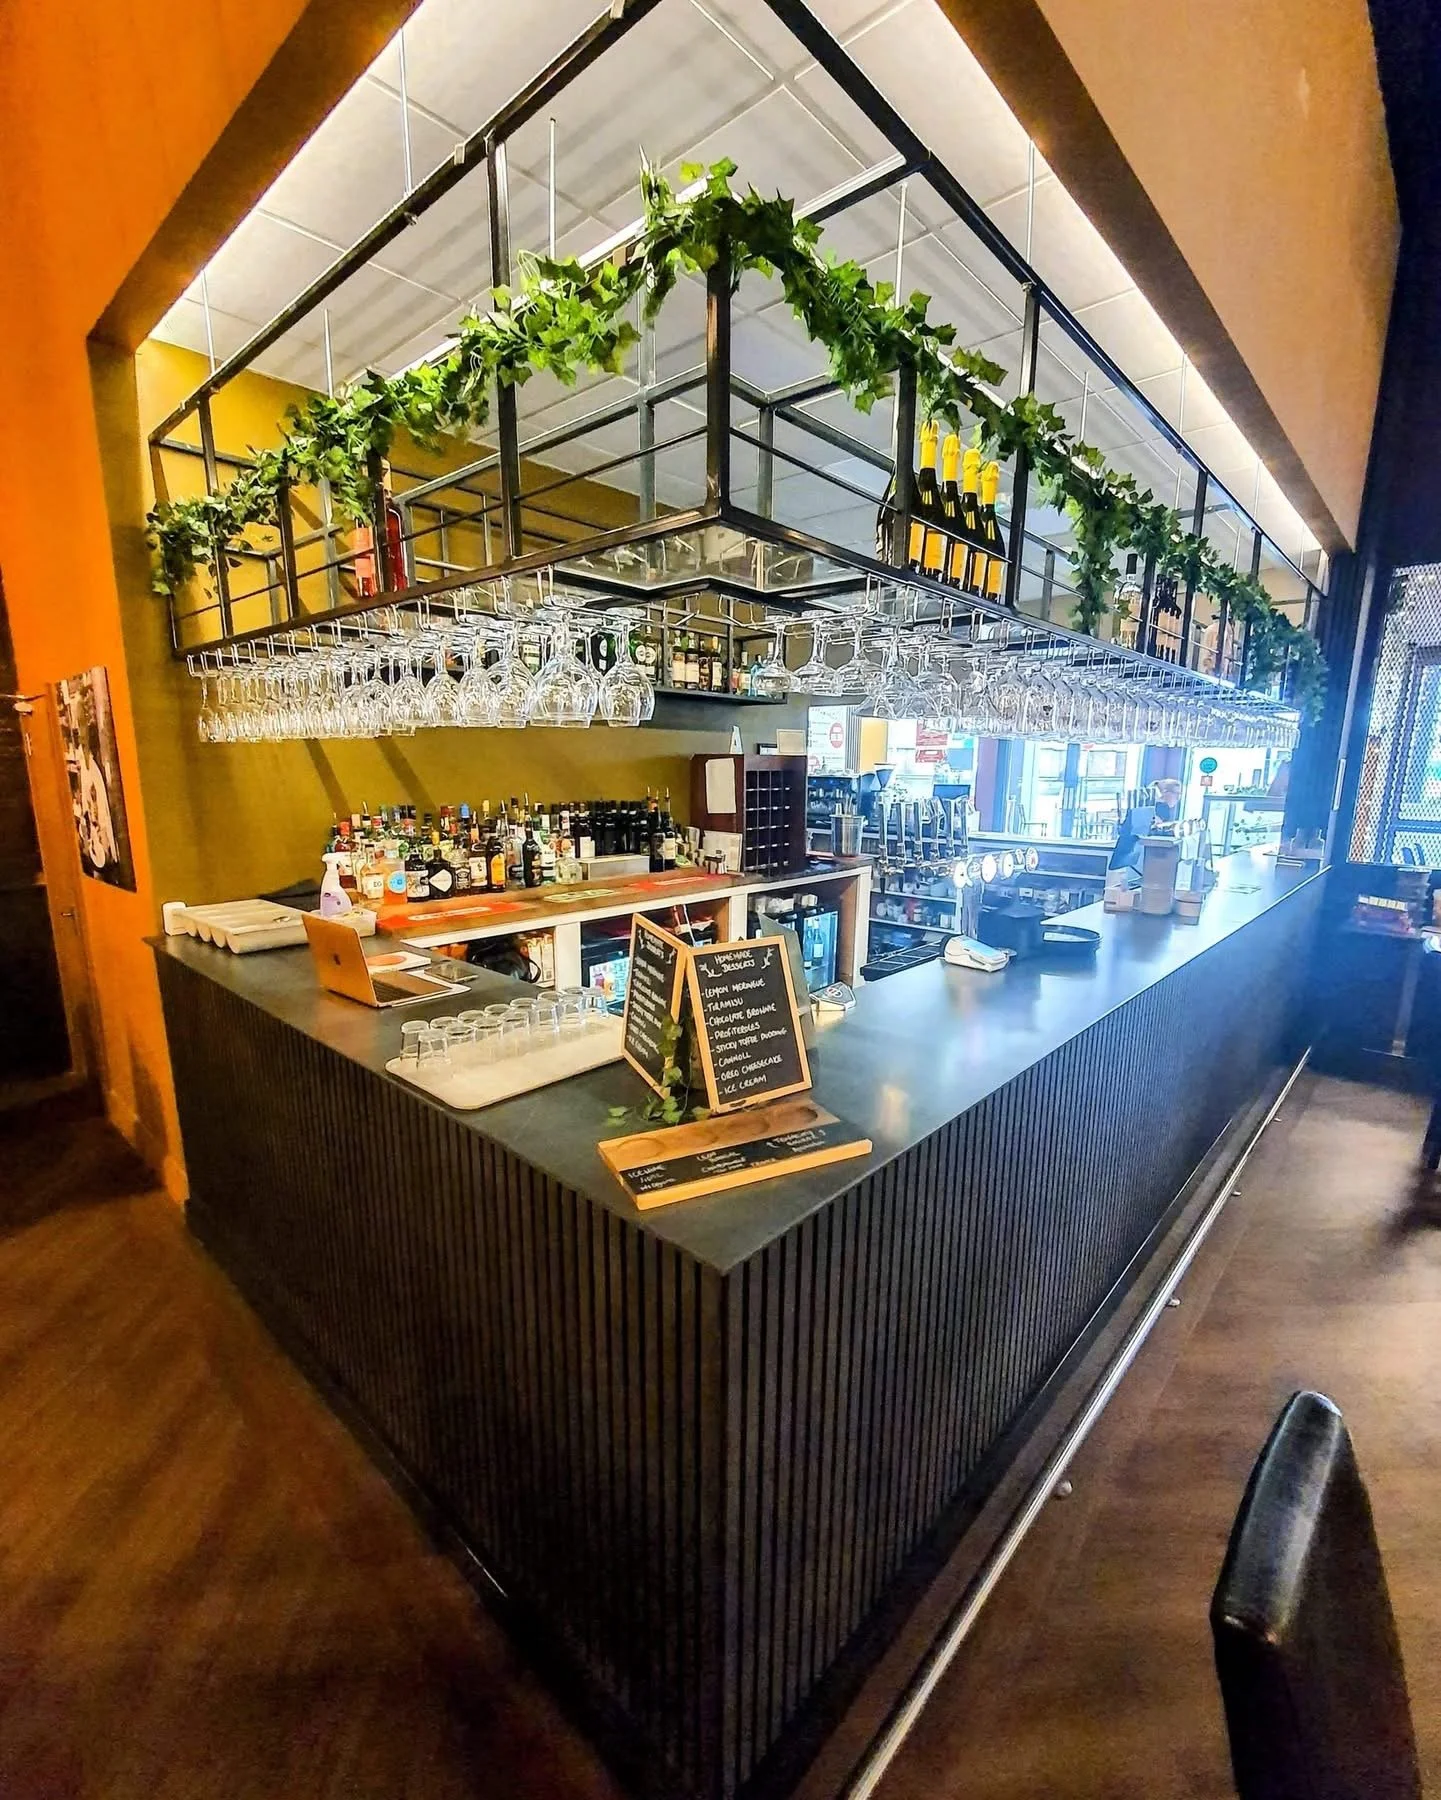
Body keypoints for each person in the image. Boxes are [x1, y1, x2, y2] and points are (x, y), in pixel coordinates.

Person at [1108, 777, 1182, 878]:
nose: (1178, 798)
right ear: (1165, 792)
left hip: (1126, 855)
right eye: (1177, 794)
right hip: (1139, 856)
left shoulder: (1142, 802)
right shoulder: (1161, 807)